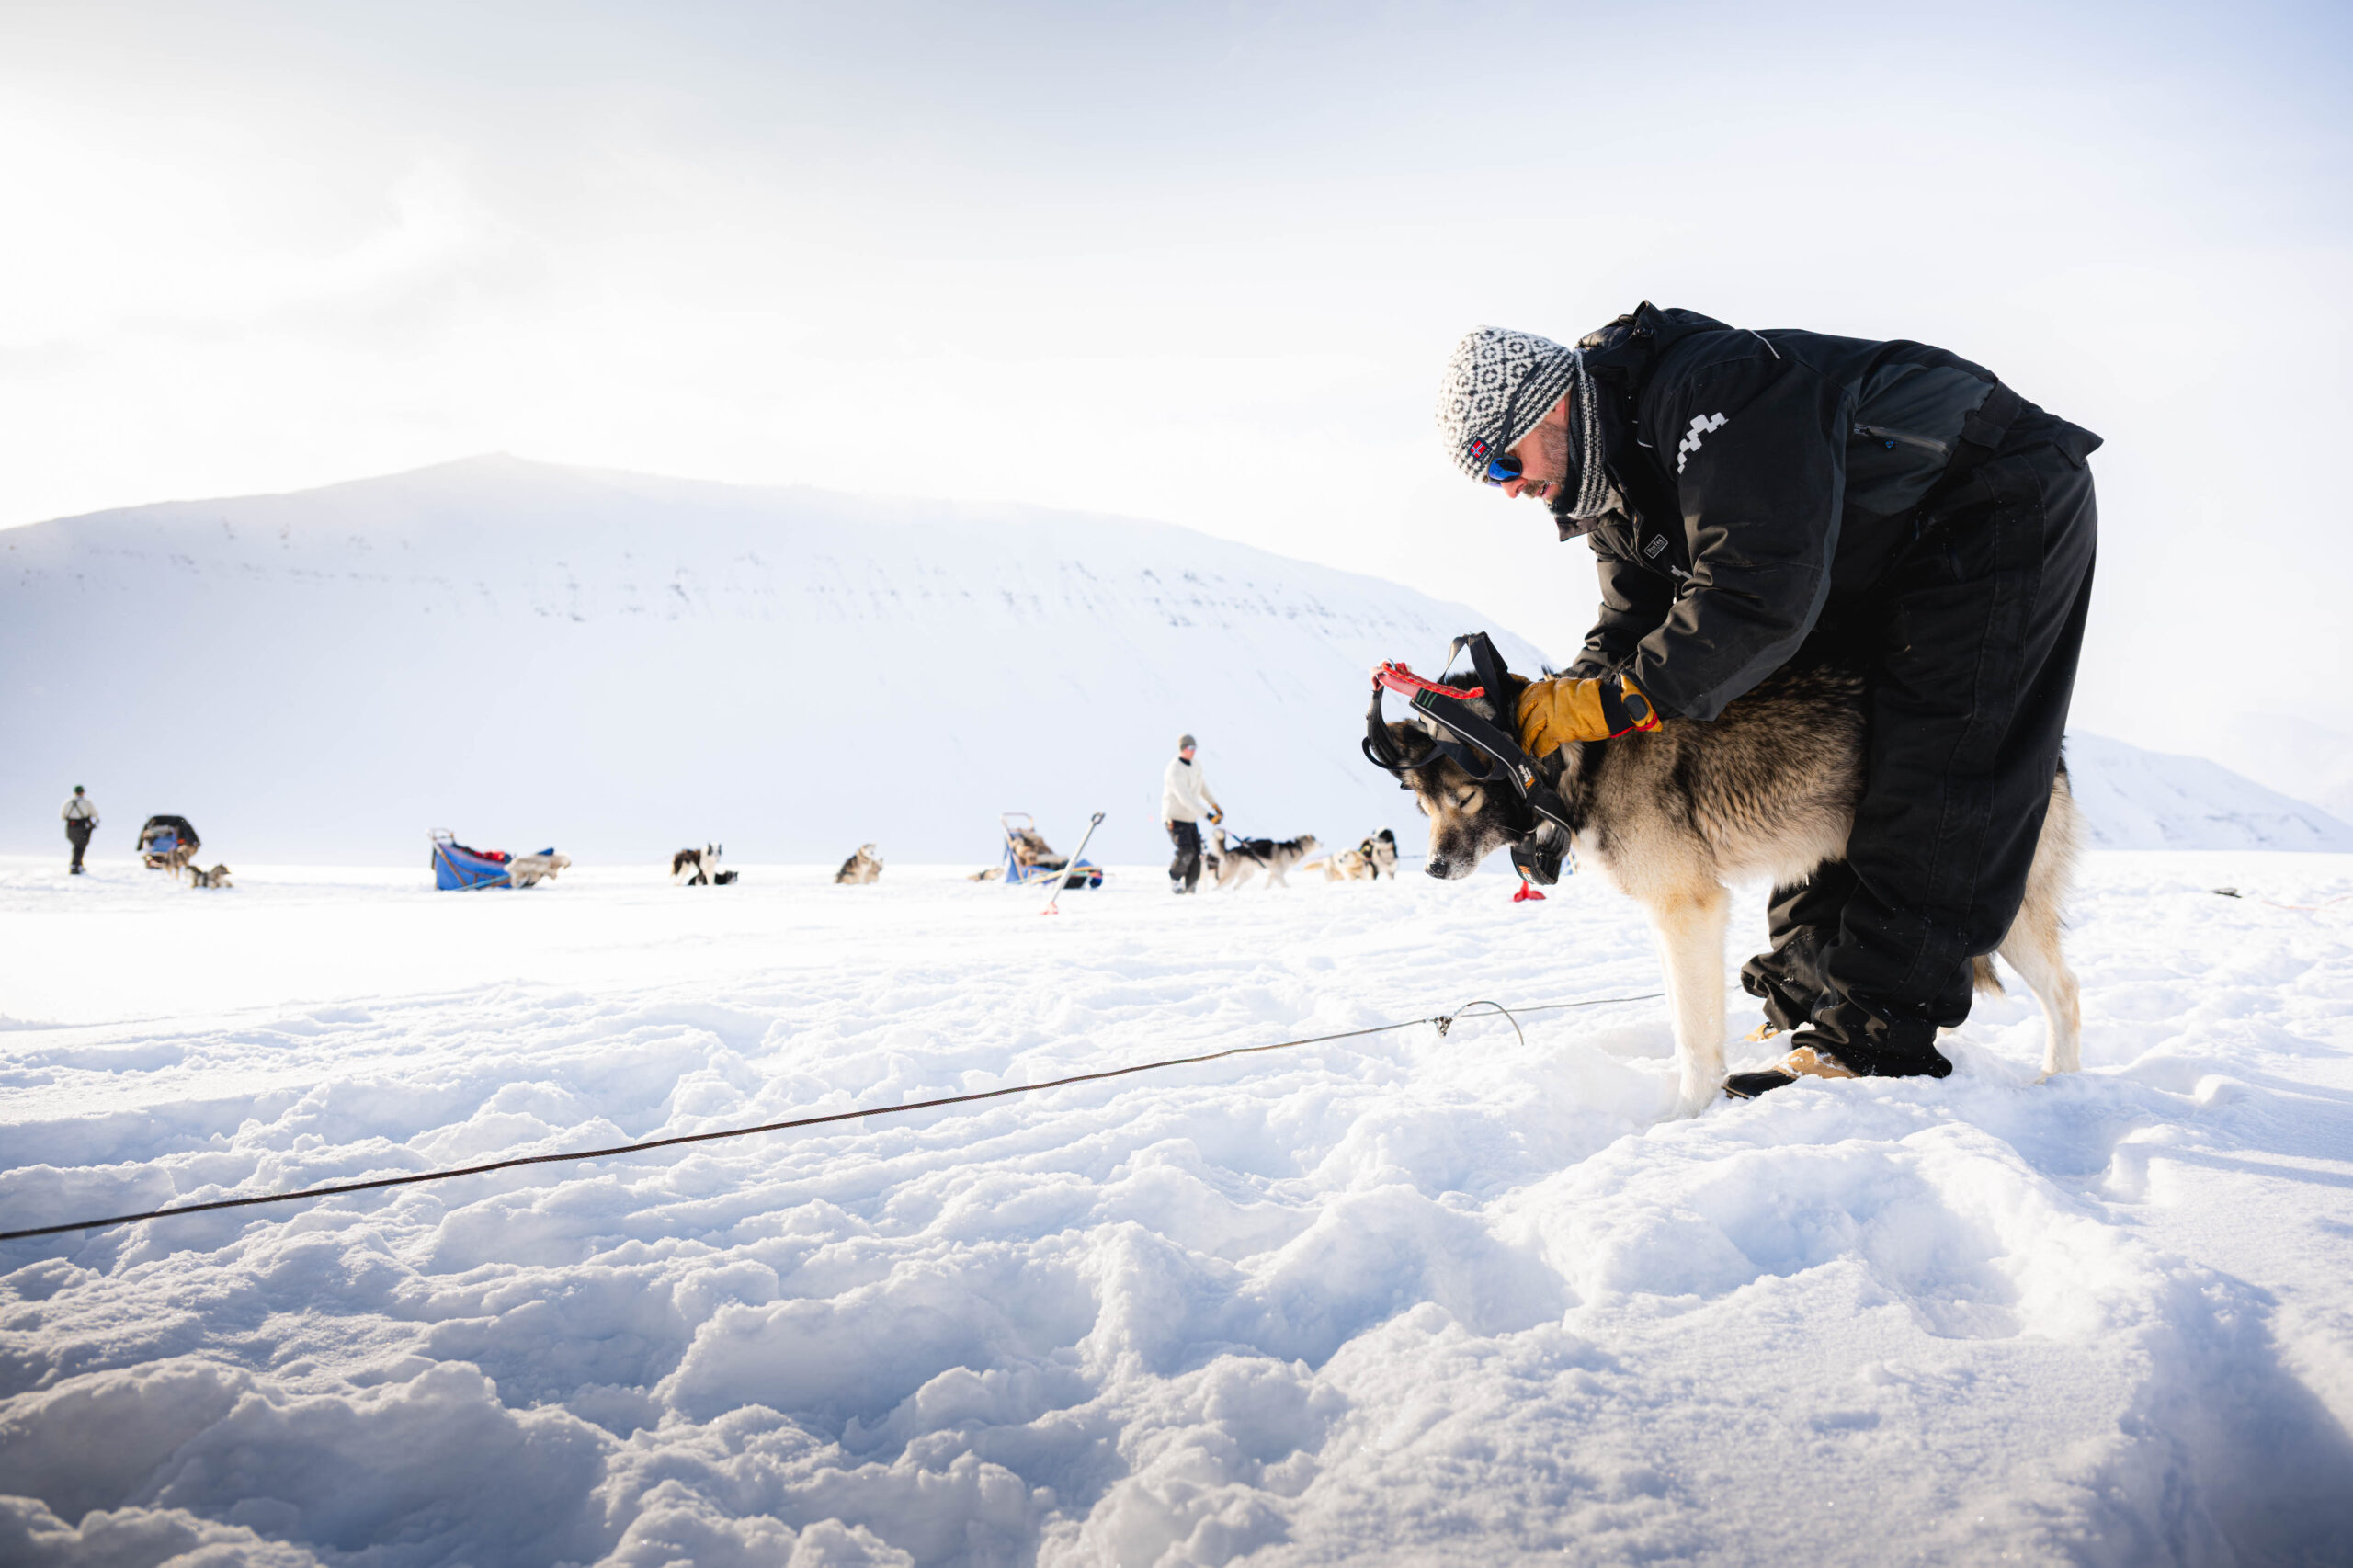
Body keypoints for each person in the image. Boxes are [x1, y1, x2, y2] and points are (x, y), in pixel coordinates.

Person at [1435, 304, 2098, 1096]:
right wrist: (1558, 710)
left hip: (1990, 495)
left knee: (1934, 746)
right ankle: (1809, 999)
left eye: (1506, 467)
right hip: (1874, 547)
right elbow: (1632, 622)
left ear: (1550, 408)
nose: (1512, 493)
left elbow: (1754, 600)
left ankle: (1872, 1035)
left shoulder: (1708, 397)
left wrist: (1607, 704)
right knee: (1806, 741)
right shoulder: (1611, 482)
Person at [1161, 733, 1223, 894]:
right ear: (1182, 749)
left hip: (1190, 817)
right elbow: (1185, 798)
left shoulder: (1196, 765)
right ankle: (1175, 879)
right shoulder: (1175, 769)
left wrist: (1214, 804)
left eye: (1195, 748)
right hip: (1175, 817)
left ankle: (1191, 887)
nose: (1193, 751)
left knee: (1197, 854)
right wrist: (1208, 816)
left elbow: (1202, 787)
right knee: (1186, 850)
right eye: (1190, 748)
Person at [62, 786, 99, 875]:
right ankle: (75, 865)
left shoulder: (68, 803)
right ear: (83, 792)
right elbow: (95, 814)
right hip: (82, 827)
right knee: (80, 846)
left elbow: (62, 816)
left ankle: (78, 864)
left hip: (71, 827)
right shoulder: (86, 802)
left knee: (76, 846)